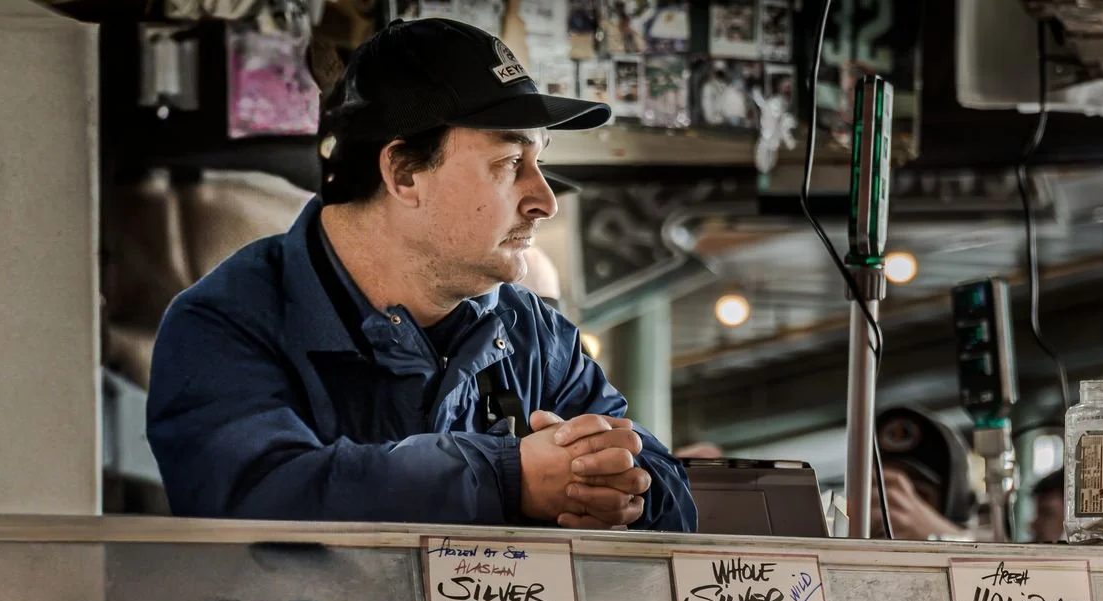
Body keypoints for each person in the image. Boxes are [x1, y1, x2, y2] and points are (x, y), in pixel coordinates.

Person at [147, 18, 696, 531]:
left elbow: (666, 488)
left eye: (541, 163)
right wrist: (508, 478)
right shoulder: (224, 324)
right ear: (404, 173)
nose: (545, 201)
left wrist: (625, 492)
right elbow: (258, 499)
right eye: (511, 164)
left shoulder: (533, 333)